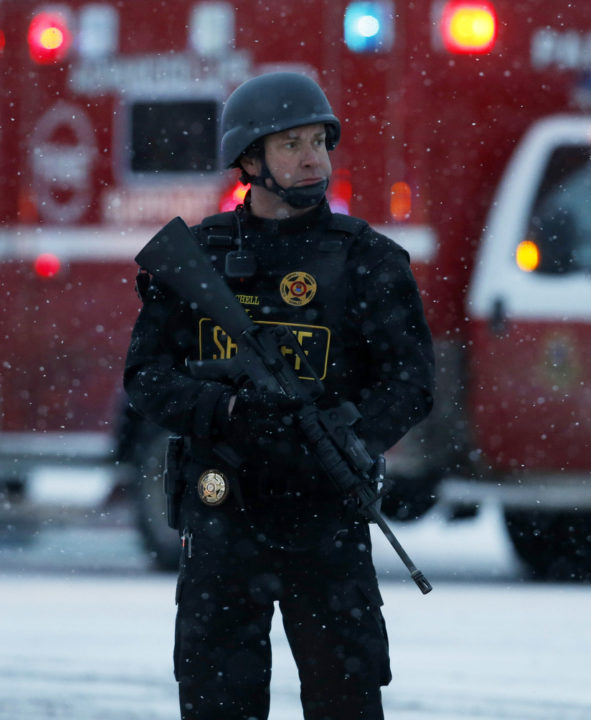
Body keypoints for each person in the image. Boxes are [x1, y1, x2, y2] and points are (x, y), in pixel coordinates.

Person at [123, 71, 435, 720]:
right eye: (290, 144)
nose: (312, 159)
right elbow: (147, 378)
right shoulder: (199, 258)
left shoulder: (368, 262)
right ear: (249, 160)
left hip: (325, 514)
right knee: (218, 700)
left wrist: (349, 435)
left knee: (345, 700)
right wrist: (227, 410)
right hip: (222, 510)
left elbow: (411, 383)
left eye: (320, 141)